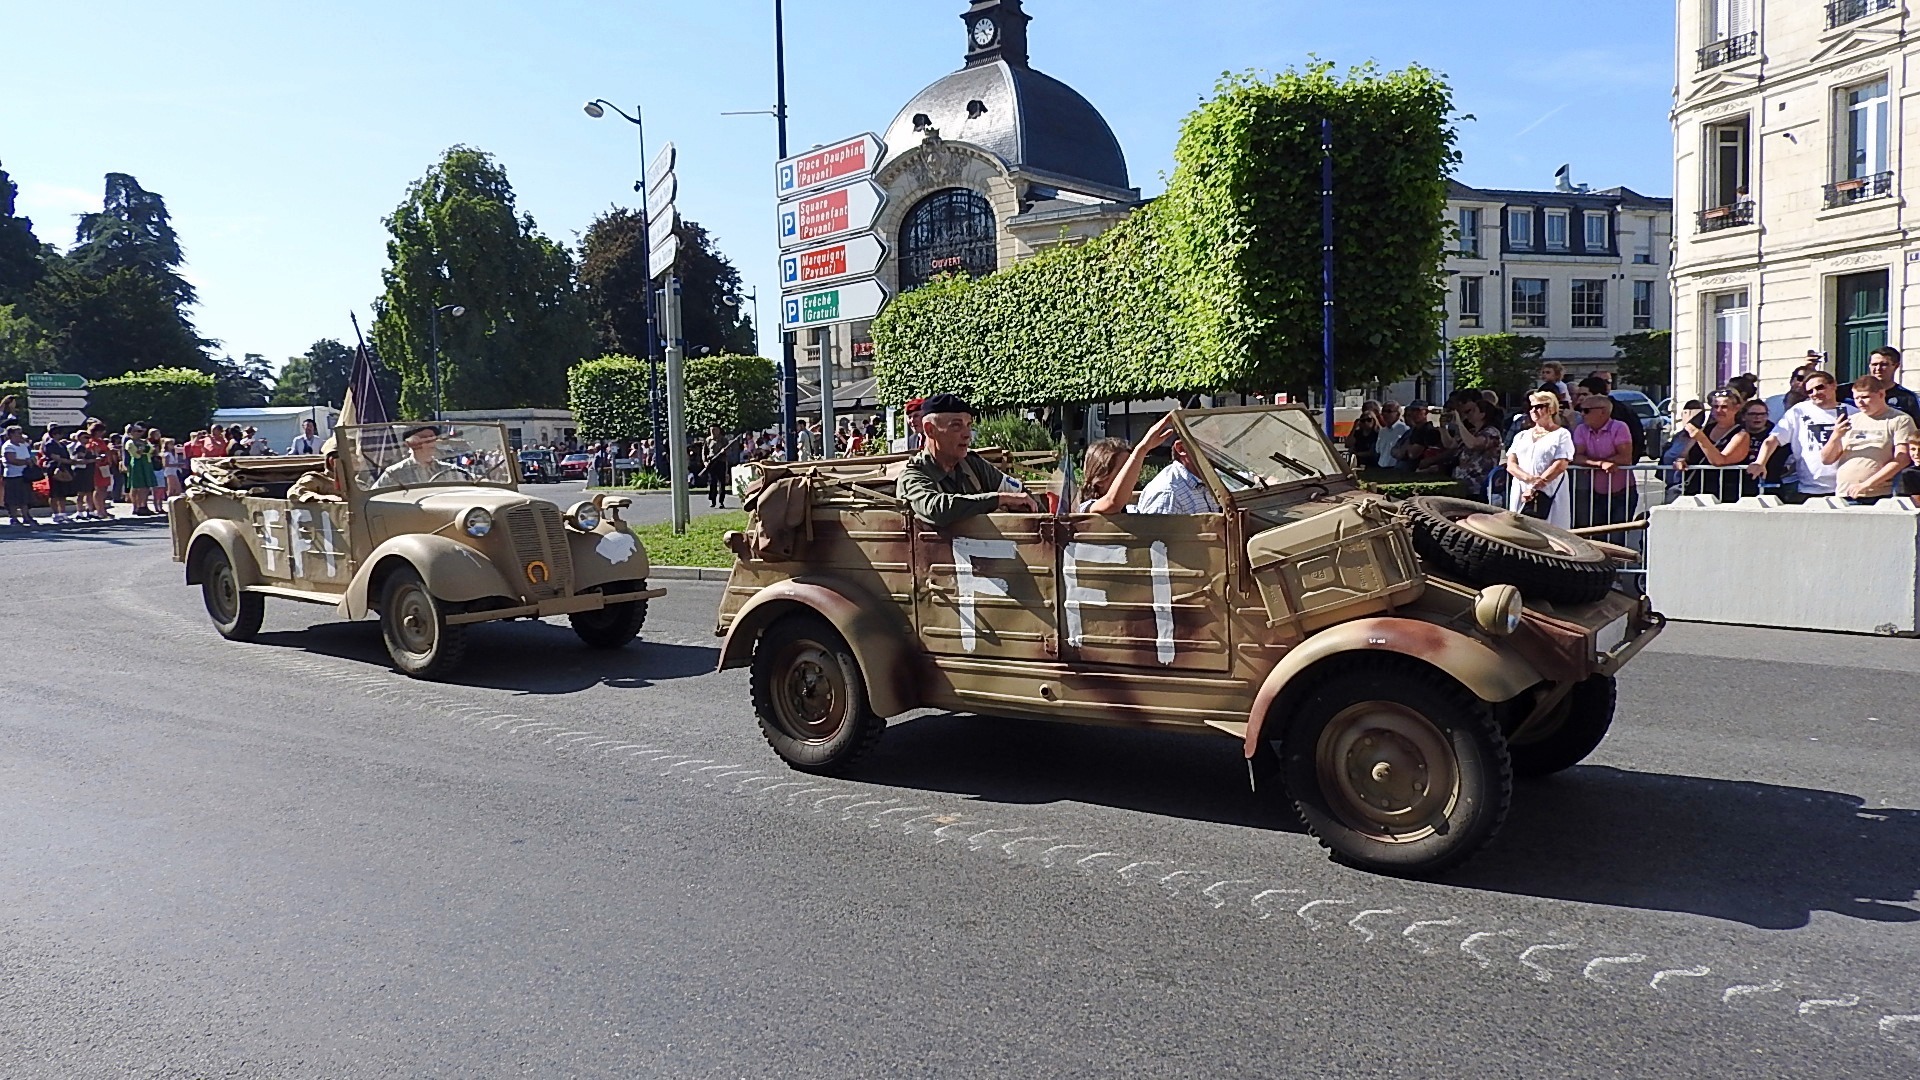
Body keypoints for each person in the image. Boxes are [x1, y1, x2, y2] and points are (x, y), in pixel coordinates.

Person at [896, 393, 1037, 526]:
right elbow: (936, 509)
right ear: (930, 430)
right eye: (956, 426)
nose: (967, 435)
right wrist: (998, 499)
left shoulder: (972, 465)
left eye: (969, 425)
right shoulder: (913, 475)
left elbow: (1019, 492)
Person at [1747, 369, 1851, 502]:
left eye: (1820, 387)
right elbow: (1774, 438)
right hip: (1807, 488)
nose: (1815, 393)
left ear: (1833, 385)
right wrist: (1760, 462)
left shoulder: (1852, 412)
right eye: (1810, 391)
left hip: (1844, 487)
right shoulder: (1799, 411)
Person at [1823, 374, 1917, 504]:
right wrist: (1835, 436)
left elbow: (1902, 459)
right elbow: (1827, 459)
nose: (1860, 402)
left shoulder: (1900, 420)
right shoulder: (1851, 420)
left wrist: (1867, 484)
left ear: (1881, 394)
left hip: (1878, 495)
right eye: (1856, 398)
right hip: (1844, 494)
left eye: (1865, 397)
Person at [1079, 414, 1177, 514]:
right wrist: (1142, 449)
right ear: (1100, 480)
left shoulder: (1131, 509)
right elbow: (1112, 503)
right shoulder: (1087, 508)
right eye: (1124, 470)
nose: (1131, 475)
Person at [1505, 390, 1574, 528]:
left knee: (1553, 529)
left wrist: (1536, 486)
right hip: (1521, 488)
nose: (1533, 410)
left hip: (1549, 489)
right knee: (1519, 527)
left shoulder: (1562, 434)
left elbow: (1560, 464)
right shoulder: (1521, 435)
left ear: (1551, 409)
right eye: (1531, 407)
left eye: (1539, 406)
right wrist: (1529, 480)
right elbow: (1511, 464)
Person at [1569, 393, 1635, 529]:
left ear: (1603, 412)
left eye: (1586, 410)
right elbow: (1576, 457)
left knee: (1618, 535)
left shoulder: (1620, 427)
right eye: (1580, 409)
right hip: (1595, 492)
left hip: (1622, 491)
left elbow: (1625, 458)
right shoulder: (1581, 429)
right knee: (1597, 535)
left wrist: (1589, 462)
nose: (1582, 414)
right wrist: (1601, 464)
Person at [1677, 388, 1751, 502]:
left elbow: (1719, 461)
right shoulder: (1706, 429)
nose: (1719, 410)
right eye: (1715, 407)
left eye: (1724, 407)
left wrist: (1701, 438)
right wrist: (1680, 461)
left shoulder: (1741, 434)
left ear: (1736, 408)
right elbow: (1685, 454)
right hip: (1695, 491)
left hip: (1724, 495)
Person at [1136, 422, 1223, 515]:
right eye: (1210, 441)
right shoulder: (1168, 496)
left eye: (1218, 441)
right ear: (1181, 448)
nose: (1219, 448)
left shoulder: (1215, 480)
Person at [1577, 373, 1646, 463]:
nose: (1580, 398)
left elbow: (1636, 437)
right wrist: (1597, 464)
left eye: (1585, 394)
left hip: (1617, 471)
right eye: (1579, 395)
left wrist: (1628, 461)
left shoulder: (1621, 415)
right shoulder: (1581, 426)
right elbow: (1577, 456)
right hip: (1591, 473)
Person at [1448, 398, 1507, 502]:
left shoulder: (1492, 432)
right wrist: (1442, 427)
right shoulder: (1472, 432)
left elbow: (1473, 444)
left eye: (1473, 411)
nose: (1468, 414)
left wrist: (1459, 422)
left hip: (1478, 486)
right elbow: (1450, 445)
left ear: (1482, 414)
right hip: (1463, 483)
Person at [374, 425, 472, 487]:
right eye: (425, 439)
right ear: (410, 443)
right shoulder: (394, 473)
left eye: (433, 439)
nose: (431, 443)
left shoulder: (451, 471)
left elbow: (471, 489)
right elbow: (375, 499)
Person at [1737, 399, 1786, 499]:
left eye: (1762, 414)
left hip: (1770, 484)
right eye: (1753, 414)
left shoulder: (1775, 434)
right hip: (1740, 484)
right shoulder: (1736, 433)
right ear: (1743, 417)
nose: (1758, 417)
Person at [38, 425, 77, 523]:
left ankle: (63, 513)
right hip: (54, 468)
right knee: (54, 493)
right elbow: (54, 457)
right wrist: (69, 461)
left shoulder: (62, 444)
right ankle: (55, 513)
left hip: (64, 468)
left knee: (62, 493)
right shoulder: (49, 444)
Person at [3, 426, 36, 527]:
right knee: (13, 498)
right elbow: (12, 460)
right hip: (13, 475)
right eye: (18, 433)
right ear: (11, 434)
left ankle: (26, 516)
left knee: (24, 498)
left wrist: (31, 461)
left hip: (24, 475)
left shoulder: (23, 445)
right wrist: (26, 462)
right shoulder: (8, 446)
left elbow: (31, 456)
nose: (20, 435)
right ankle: (13, 517)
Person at [123, 427, 158, 515]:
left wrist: (143, 450)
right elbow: (136, 454)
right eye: (136, 431)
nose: (139, 433)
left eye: (140, 431)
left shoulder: (144, 441)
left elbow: (151, 450)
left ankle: (144, 505)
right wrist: (143, 450)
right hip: (136, 465)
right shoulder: (129, 442)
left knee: (146, 486)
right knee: (136, 486)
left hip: (146, 463)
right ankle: (136, 507)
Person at [1371, 401, 1408, 471]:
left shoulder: (1404, 429)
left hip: (1396, 469)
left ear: (1398, 414)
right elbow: (1378, 450)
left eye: (1389, 411)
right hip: (1381, 468)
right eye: (1383, 411)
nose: (1385, 414)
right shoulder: (1382, 431)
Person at [1347, 400, 1382, 469]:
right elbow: (1348, 444)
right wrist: (1354, 427)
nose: (1366, 422)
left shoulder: (1377, 433)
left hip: (1372, 461)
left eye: (1369, 420)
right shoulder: (1358, 433)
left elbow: (1373, 452)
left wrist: (1357, 454)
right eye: (1363, 420)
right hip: (1358, 460)